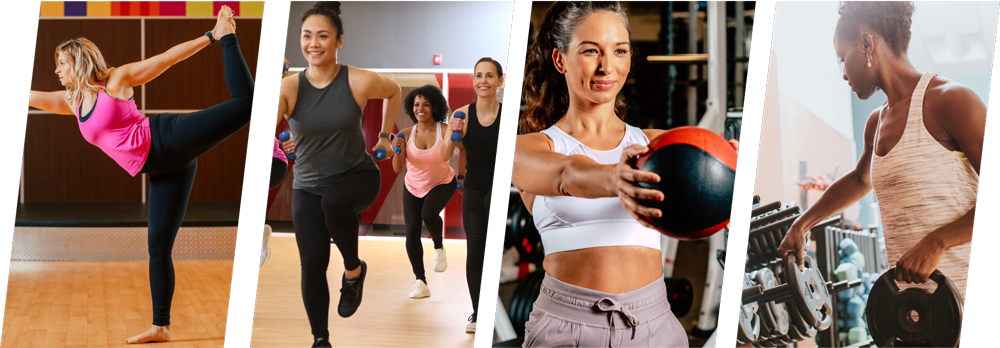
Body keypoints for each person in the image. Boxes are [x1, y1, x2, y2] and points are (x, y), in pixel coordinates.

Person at [511, 2, 740, 346]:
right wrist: (615, 179)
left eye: (619, 51)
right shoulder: (529, 148)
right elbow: (566, 174)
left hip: (656, 326)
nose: (607, 67)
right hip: (569, 328)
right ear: (560, 60)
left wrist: (728, 181)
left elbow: (697, 203)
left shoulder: (658, 145)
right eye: (591, 51)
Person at [28, 6, 251, 344]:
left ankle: (227, 35)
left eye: (61, 63)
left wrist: (211, 36)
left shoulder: (115, 81)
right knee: (158, 248)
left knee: (247, 103)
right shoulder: (73, 101)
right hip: (163, 169)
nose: (56, 70)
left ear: (78, 61)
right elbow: (33, 97)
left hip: (167, 137)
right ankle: (160, 327)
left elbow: (168, 59)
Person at [778, 1, 981, 302]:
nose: (843, 73)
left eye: (842, 58)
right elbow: (859, 180)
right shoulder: (876, 123)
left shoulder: (951, 100)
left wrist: (937, 241)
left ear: (866, 44)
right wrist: (802, 224)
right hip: (913, 308)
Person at [276, 2, 400, 347]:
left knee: (333, 202)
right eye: (306, 36)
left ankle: (353, 269)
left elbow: (394, 90)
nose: (313, 44)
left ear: (339, 41)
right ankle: (321, 340)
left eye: (322, 36)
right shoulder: (289, 88)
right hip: (307, 187)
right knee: (312, 263)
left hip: (358, 178)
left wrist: (385, 137)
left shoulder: (357, 79)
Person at [438, 57, 503, 333]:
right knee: (475, 247)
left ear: (500, 81)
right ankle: (478, 313)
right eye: (478, 75)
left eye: (489, 75)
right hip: (475, 187)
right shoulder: (461, 114)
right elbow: (444, 155)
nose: (483, 81)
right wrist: (453, 133)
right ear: (473, 80)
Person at [391, 85, 459, 299]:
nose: (420, 108)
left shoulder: (444, 130)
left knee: (428, 214)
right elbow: (397, 169)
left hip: (442, 182)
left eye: (426, 104)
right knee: (411, 230)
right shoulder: (405, 134)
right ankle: (421, 282)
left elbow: (461, 150)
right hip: (413, 186)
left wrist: (464, 176)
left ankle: (439, 247)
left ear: (435, 107)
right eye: (416, 104)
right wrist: (397, 149)